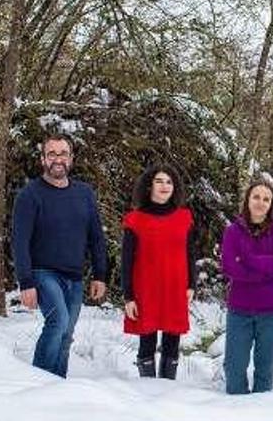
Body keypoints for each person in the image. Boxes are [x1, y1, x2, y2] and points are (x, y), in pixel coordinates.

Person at [11, 134, 108, 377]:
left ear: (71, 159)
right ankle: (38, 382)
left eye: (63, 153)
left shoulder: (84, 194)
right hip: (43, 273)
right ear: (43, 159)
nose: (58, 159)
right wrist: (26, 282)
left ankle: (57, 390)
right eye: (52, 154)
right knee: (58, 322)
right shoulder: (30, 195)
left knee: (66, 335)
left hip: (74, 277)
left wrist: (100, 275)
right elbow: (20, 241)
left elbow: (96, 236)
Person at [121, 164, 197, 380]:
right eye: (159, 181)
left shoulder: (184, 217)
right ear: (149, 186)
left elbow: (190, 253)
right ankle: (147, 390)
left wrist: (191, 284)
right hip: (146, 289)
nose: (165, 186)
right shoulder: (135, 219)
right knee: (147, 339)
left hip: (175, 287)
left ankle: (167, 389)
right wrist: (128, 297)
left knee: (173, 338)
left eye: (169, 182)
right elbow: (126, 261)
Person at [220, 176, 273, 394]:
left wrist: (248, 260)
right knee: (234, 367)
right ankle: (235, 410)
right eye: (256, 197)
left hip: (272, 309)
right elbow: (229, 266)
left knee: (265, 366)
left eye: (266, 199)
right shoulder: (232, 231)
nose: (261, 202)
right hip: (240, 309)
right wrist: (265, 271)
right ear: (248, 199)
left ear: (272, 204)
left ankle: (261, 412)